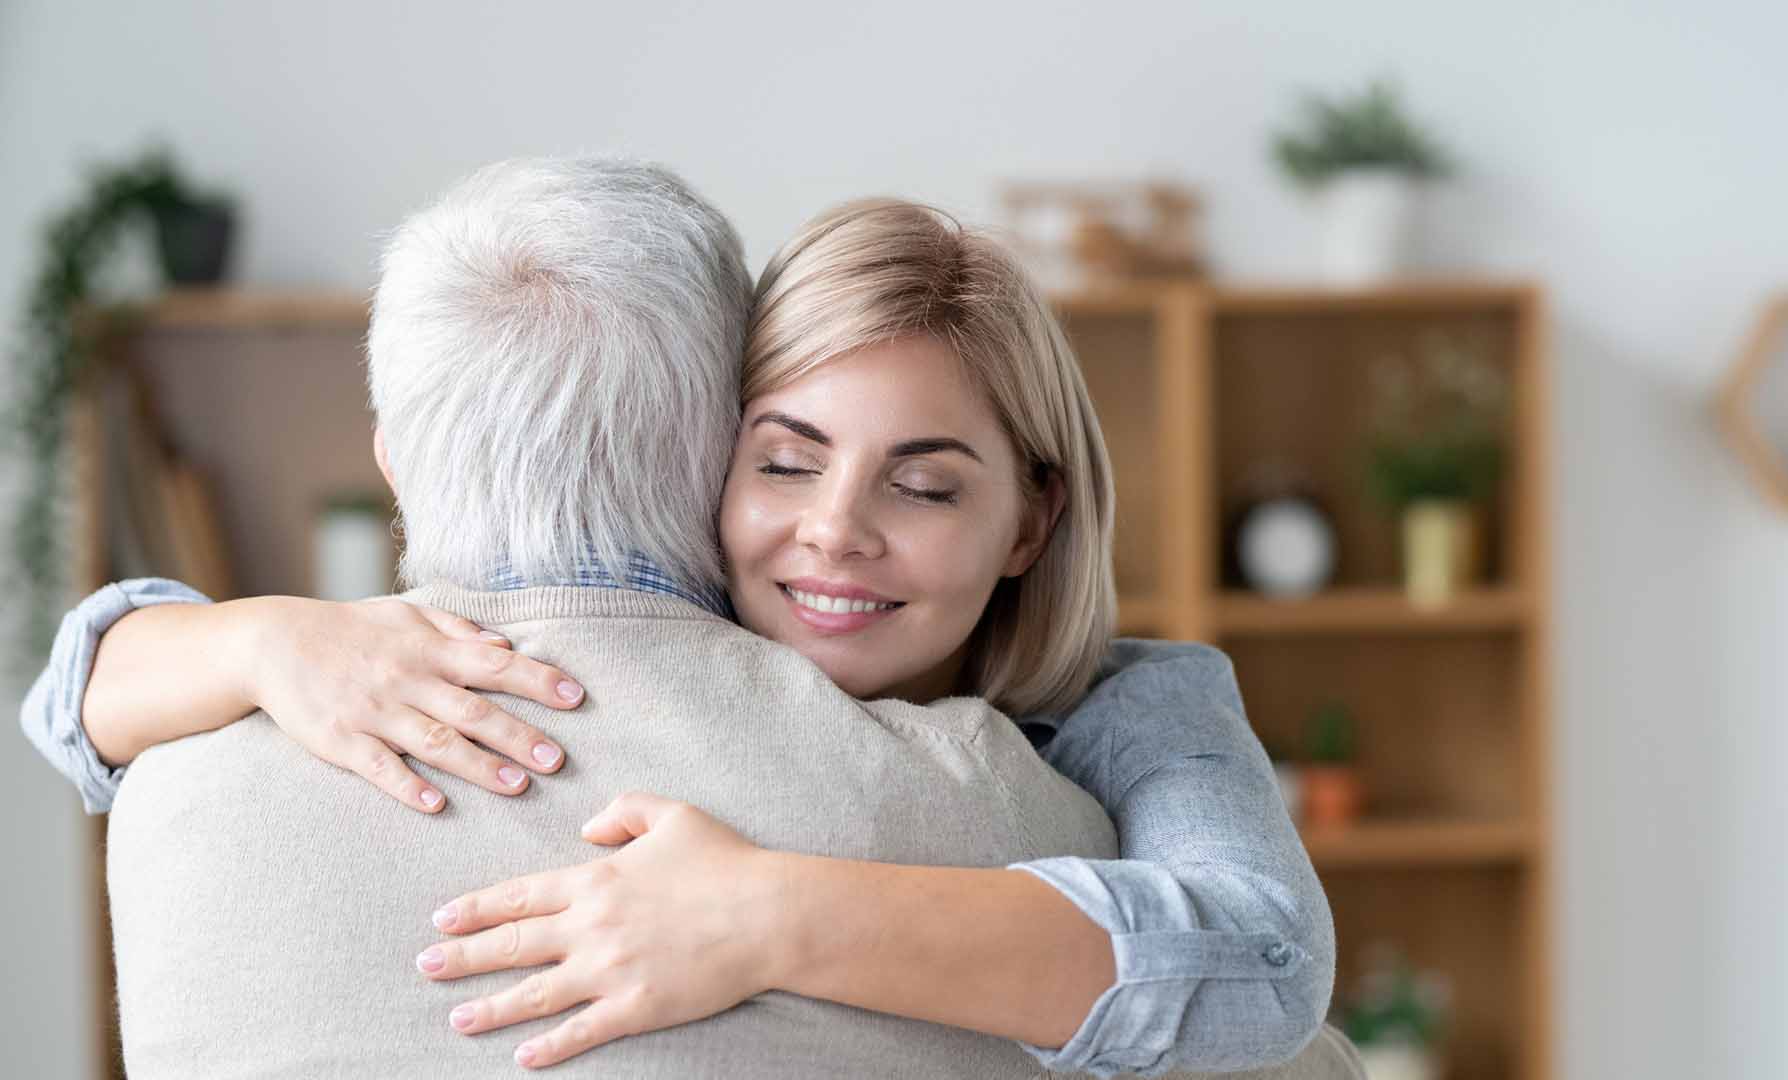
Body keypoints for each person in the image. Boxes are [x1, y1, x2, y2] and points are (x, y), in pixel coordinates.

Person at [23, 162, 1350, 1077]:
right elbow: (67, 707)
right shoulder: (613, 686)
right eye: (784, 458)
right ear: (699, 455)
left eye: (927, 482)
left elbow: (1267, 965)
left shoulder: (1119, 716)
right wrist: (257, 637)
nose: (835, 529)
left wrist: (766, 916)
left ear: (1031, 521)